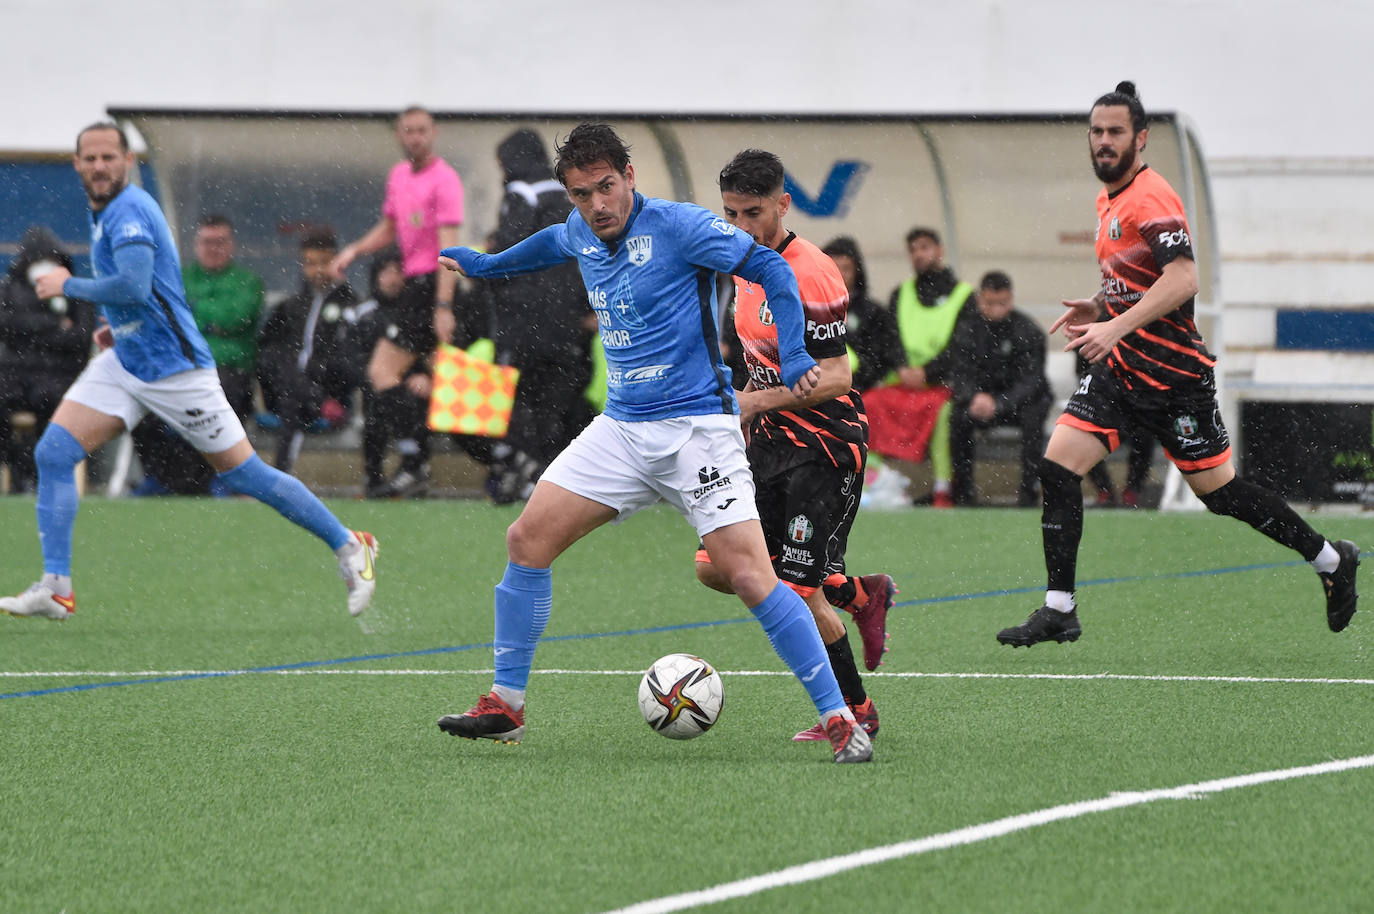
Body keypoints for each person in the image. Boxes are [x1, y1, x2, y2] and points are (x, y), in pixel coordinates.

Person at [434, 123, 871, 763]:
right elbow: (549, 245)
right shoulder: (579, 228)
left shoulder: (680, 226)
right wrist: (488, 265)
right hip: (621, 429)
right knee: (526, 539)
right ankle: (505, 705)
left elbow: (771, 265)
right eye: (582, 194)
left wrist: (798, 349)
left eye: (607, 187)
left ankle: (840, 719)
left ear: (630, 177)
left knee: (752, 576)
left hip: (698, 430)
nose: (597, 205)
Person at [996, 82, 1360, 647]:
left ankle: (1331, 559)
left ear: (1140, 139)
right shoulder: (1109, 200)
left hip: (1174, 379)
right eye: (1096, 132)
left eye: (1116, 132)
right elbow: (1138, 275)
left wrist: (1115, 325)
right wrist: (1103, 304)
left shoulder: (1152, 197)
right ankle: (1059, 607)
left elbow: (1184, 278)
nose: (1104, 142)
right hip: (1122, 372)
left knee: (1221, 495)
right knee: (1058, 467)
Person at [0, 122, 378, 621]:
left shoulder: (129, 208)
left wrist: (69, 285)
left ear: (127, 161)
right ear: (76, 164)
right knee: (54, 452)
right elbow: (147, 289)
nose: (98, 166)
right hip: (128, 360)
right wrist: (118, 326)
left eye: (108, 157)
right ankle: (56, 587)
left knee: (245, 472)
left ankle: (350, 543)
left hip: (175, 370)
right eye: (89, 158)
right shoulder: (107, 210)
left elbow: (134, 284)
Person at [695, 149, 897, 743]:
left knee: (793, 590)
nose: (739, 227)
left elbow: (837, 377)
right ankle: (859, 593)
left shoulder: (812, 270)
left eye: (752, 212)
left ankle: (855, 711)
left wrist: (757, 401)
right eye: (729, 213)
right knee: (714, 568)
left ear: (783, 205)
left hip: (824, 449)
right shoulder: (739, 262)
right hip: (766, 446)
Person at [332, 106, 464, 499]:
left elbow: (449, 249)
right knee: (422, 379)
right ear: (399, 135)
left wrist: (443, 306)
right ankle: (421, 462)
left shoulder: (446, 180)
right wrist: (354, 250)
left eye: (422, 130)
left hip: (430, 287)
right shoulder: (398, 176)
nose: (415, 137)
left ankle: (416, 461)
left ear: (434, 132)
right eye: (408, 131)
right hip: (413, 288)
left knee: (385, 375)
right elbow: (390, 228)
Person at [482, 128, 596, 504]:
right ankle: (547, 475)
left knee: (516, 399)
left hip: (525, 318)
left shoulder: (521, 193)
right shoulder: (565, 194)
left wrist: (490, 252)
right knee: (553, 401)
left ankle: (523, 467)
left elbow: (511, 252)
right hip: (565, 321)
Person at [132, 213, 267, 496]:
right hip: (179, 368)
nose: (213, 248)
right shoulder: (178, 278)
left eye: (220, 242)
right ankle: (158, 477)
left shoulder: (248, 282)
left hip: (228, 369)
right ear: (196, 244)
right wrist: (209, 322)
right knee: (139, 400)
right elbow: (161, 316)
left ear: (231, 245)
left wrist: (191, 312)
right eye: (207, 242)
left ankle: (224, 477)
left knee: (225, 399)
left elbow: (236, 318)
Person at [865, 227, 975, 507]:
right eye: (913, 249)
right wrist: (903, 367)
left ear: (940, 250)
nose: (918, 254)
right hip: (902, 382)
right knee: (866, 407)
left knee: (945, 416)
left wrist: (928, 372)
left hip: (941, 385)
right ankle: (875, 481)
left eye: (924, 247)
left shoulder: (964, 295)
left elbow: (961, 346)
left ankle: (942, 489)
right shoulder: (899, 294)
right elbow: (891, 338)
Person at [0, 226, 97, 493]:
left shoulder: (76, 293)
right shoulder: (8, 290)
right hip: (14, 375)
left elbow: (79, 338)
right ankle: (18, 471)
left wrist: (29, 331)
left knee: (50, 402)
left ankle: (45, 477)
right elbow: (6, 326)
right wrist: (54, 325)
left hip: (59, 376)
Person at [256, 230, 362, 473]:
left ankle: (279, 477)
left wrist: (325, 391)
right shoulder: (290, 306)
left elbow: (349, 361)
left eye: (324, 262)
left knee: (294, 400)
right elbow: (269, 353)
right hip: (291, 393)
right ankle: (278, 477)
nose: (317, 271)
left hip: (330, 395)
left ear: (338, 262)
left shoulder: (351, 305)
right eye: (310, 263)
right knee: (282, 370)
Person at [947, 270, 1053, 507]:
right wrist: (973, 397)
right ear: (980, 299)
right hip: (980, 402)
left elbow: (1031, 380)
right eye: (990, 303)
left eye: (1002, 303)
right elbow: (958, 371)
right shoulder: (966, 328)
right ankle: (963, 494)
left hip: (1019, 404)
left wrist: (1001, 402)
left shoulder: (1027, 331)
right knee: (957, 419)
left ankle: (1027, 494)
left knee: (1033, 419)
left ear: (1011, 299)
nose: (996, 309)